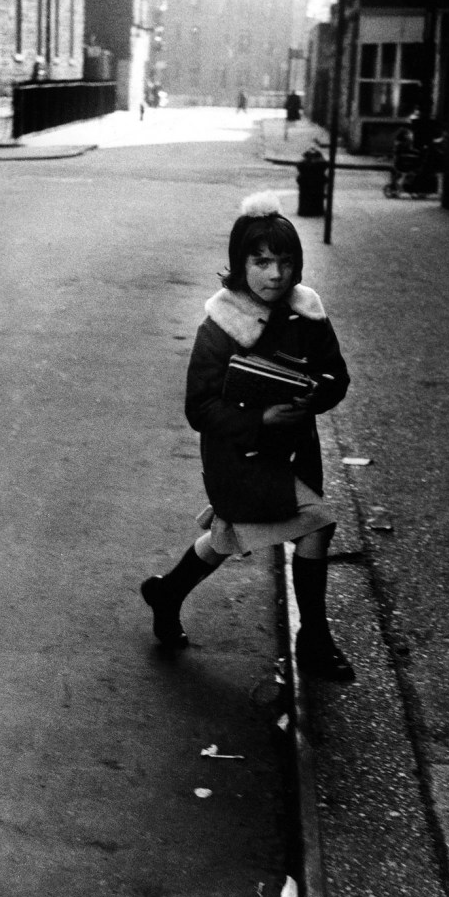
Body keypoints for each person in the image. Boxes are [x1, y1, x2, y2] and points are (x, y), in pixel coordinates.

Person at [140, 190, 354, 681]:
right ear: (241, 264)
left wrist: (310, 400)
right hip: (238, 456)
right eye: (261, 262)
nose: (274, 274)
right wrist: (261, 421)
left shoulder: (309, 314)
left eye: (284, 261)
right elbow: (199, 408)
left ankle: (168, 592)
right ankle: (314, 641)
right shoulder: (219, 325)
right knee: (318, 524)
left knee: (226, 535)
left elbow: (336, 379)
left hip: (295, 451)